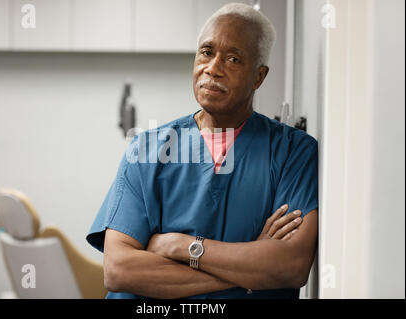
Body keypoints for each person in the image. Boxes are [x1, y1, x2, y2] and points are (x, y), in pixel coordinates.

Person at [86, 3, 318, 299]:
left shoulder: (292, 152)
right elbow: (119, 270)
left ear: (258, 77)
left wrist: (180, 247)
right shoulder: (146, 149)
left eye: (233, 59)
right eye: (207, 52)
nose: (213, 69)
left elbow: (290, 266)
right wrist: (250, 273)